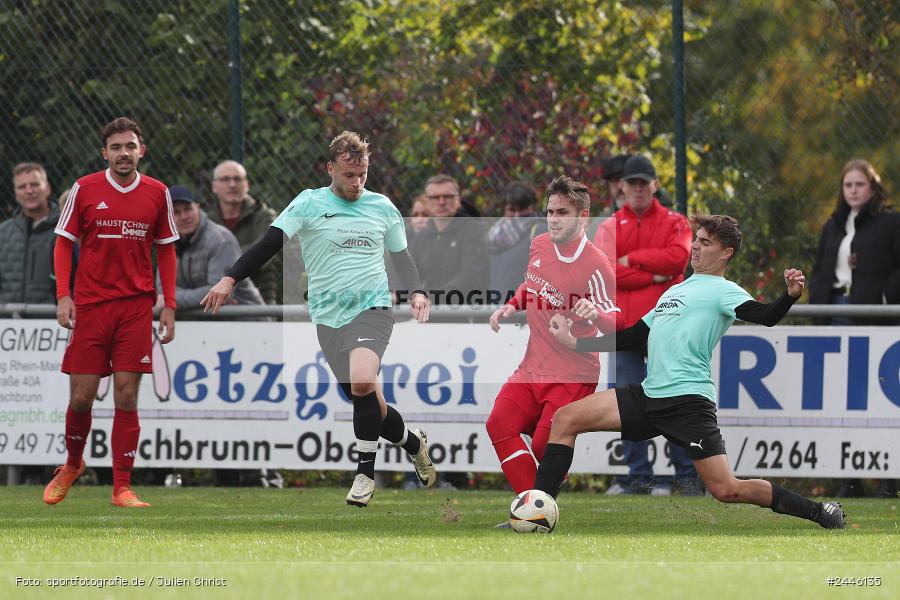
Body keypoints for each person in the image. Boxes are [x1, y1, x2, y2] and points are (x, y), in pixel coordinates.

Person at [533, 214, 845, 530]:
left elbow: (765, 316)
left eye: (705, 242)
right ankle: (538, 516)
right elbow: (634, 337)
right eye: (696, 240)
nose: (695, 247)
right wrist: (576, 343)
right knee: (565, 419)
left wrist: (789, 296)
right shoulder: (674, 292)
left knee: (727, 489)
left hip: (687, 403)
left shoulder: (724, 290)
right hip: (648, 394)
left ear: (726, 253)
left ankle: (820, 511)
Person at [201, 131, 436, 507]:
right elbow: (268, 244)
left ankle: (364, 474)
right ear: (330, 168)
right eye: (348, 175)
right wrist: (230, 277)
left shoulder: (383, 207)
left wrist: (417, 291)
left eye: (362, 175)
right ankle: (412, 441)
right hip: (328, 317)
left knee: (361, 383)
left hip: (372, 310)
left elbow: (402, 258)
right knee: (368, 401)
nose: (357, 182)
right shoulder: (309, 204)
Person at [44, 117, 178, 508]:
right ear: (105, 153)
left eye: (130, 146)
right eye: (116, 147)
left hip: (136, 309)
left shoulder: (157, 192)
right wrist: (63, 295)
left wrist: (168, 305)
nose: (124, 153)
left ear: (142, 151)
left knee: (126, 395)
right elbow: (63, 244)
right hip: (91, 307)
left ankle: (122, 487)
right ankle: (72, 464)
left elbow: (167, 250)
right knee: (82, 398)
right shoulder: (84, 189)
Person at [488, 176, 621, 507]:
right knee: (499, 424)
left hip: (572, 377)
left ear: (583, 217)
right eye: (550, 211)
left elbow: (617, 322)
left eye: (563, 212)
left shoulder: (596, 265)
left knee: (544, 448)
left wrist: (594, 315)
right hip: (533, 367)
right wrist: (512, 304)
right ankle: (534, 510)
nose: (554, 218)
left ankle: (541, 502)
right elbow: (530, 282)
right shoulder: (540, 243)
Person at [594, 155, 700, 496]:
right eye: (632, 183)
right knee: (628, 404)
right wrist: (654, 274)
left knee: (674, 399)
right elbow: (606, 272)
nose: (638, 189)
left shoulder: (675, 222)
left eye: (644, 183)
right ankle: (639, 478)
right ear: (622, 187)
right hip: (624, 327)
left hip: (667, 325)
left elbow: (677, 259)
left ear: (654, 185)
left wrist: (632, 260)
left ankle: (685, 478)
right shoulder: (610, 225)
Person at [809, 159, 900, 499]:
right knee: (839, 400)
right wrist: (818, 298)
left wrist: (881, 295)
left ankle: (888, 479)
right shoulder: (833, 225)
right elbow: (821, 267)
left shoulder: (891, 222)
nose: (853, 191)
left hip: (875, 319)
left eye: (860, 184)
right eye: (848, 185)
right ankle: (851, 479)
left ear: (873, 187)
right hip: (835, 314)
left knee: (875, 398)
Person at [157, 185, 263, 309]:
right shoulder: (167, 243)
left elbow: (221, 294)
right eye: (176, 212)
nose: (184, 217)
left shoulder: (221, 240)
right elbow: (163, 288)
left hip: (246, 319)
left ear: (197, 207)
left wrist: (171, 299)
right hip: (205, 320)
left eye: (188, 209)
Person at [207, 160, 283, 304]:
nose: (232, 184)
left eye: (237, 179)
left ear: (246, 184)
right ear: (214, 187)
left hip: (260, 303)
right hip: (216, 301)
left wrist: (216, 261)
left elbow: (263, 254)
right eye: (225, 179)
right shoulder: (207, 221)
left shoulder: (265, 216)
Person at [409, 174, 489, 305]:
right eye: (435, 197)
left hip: (468, 315)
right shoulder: (422, 236)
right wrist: (397, 294)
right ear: (427, 202)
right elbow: (409, 274)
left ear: (457, 200)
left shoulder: (474, 231)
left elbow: (471, 275)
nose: (441, 202)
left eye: (447, 196)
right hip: (430, 315)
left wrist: (432, 298)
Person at [0, 163, 73, 304]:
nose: (29, 191)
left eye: (35, 184)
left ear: (48, 188)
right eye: (22, 187)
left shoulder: (68, 228)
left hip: (56, 322)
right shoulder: (3, 233)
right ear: (15, 193)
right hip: (7, 323)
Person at [488, 181, 547, 303]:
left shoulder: (540, 231)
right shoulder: (494, 236)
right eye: (511, 209)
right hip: (495, 308)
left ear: (532, 207)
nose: (517, 215)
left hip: (523, 312)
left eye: (522, 209)